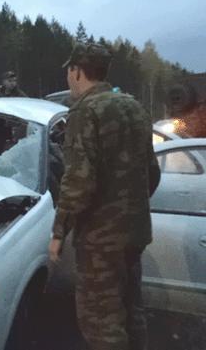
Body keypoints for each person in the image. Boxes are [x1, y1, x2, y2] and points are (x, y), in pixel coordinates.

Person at [48, 43, 161, 350]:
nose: (69, 79)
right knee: (131, 313)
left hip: (100, 243)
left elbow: (78, 181)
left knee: (102, 325)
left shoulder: (85, 112)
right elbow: (152, 173)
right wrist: (130, 207)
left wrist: (59, 233)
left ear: (76, 71)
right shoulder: (134, 107)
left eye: (69, 72)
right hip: (135, 233)